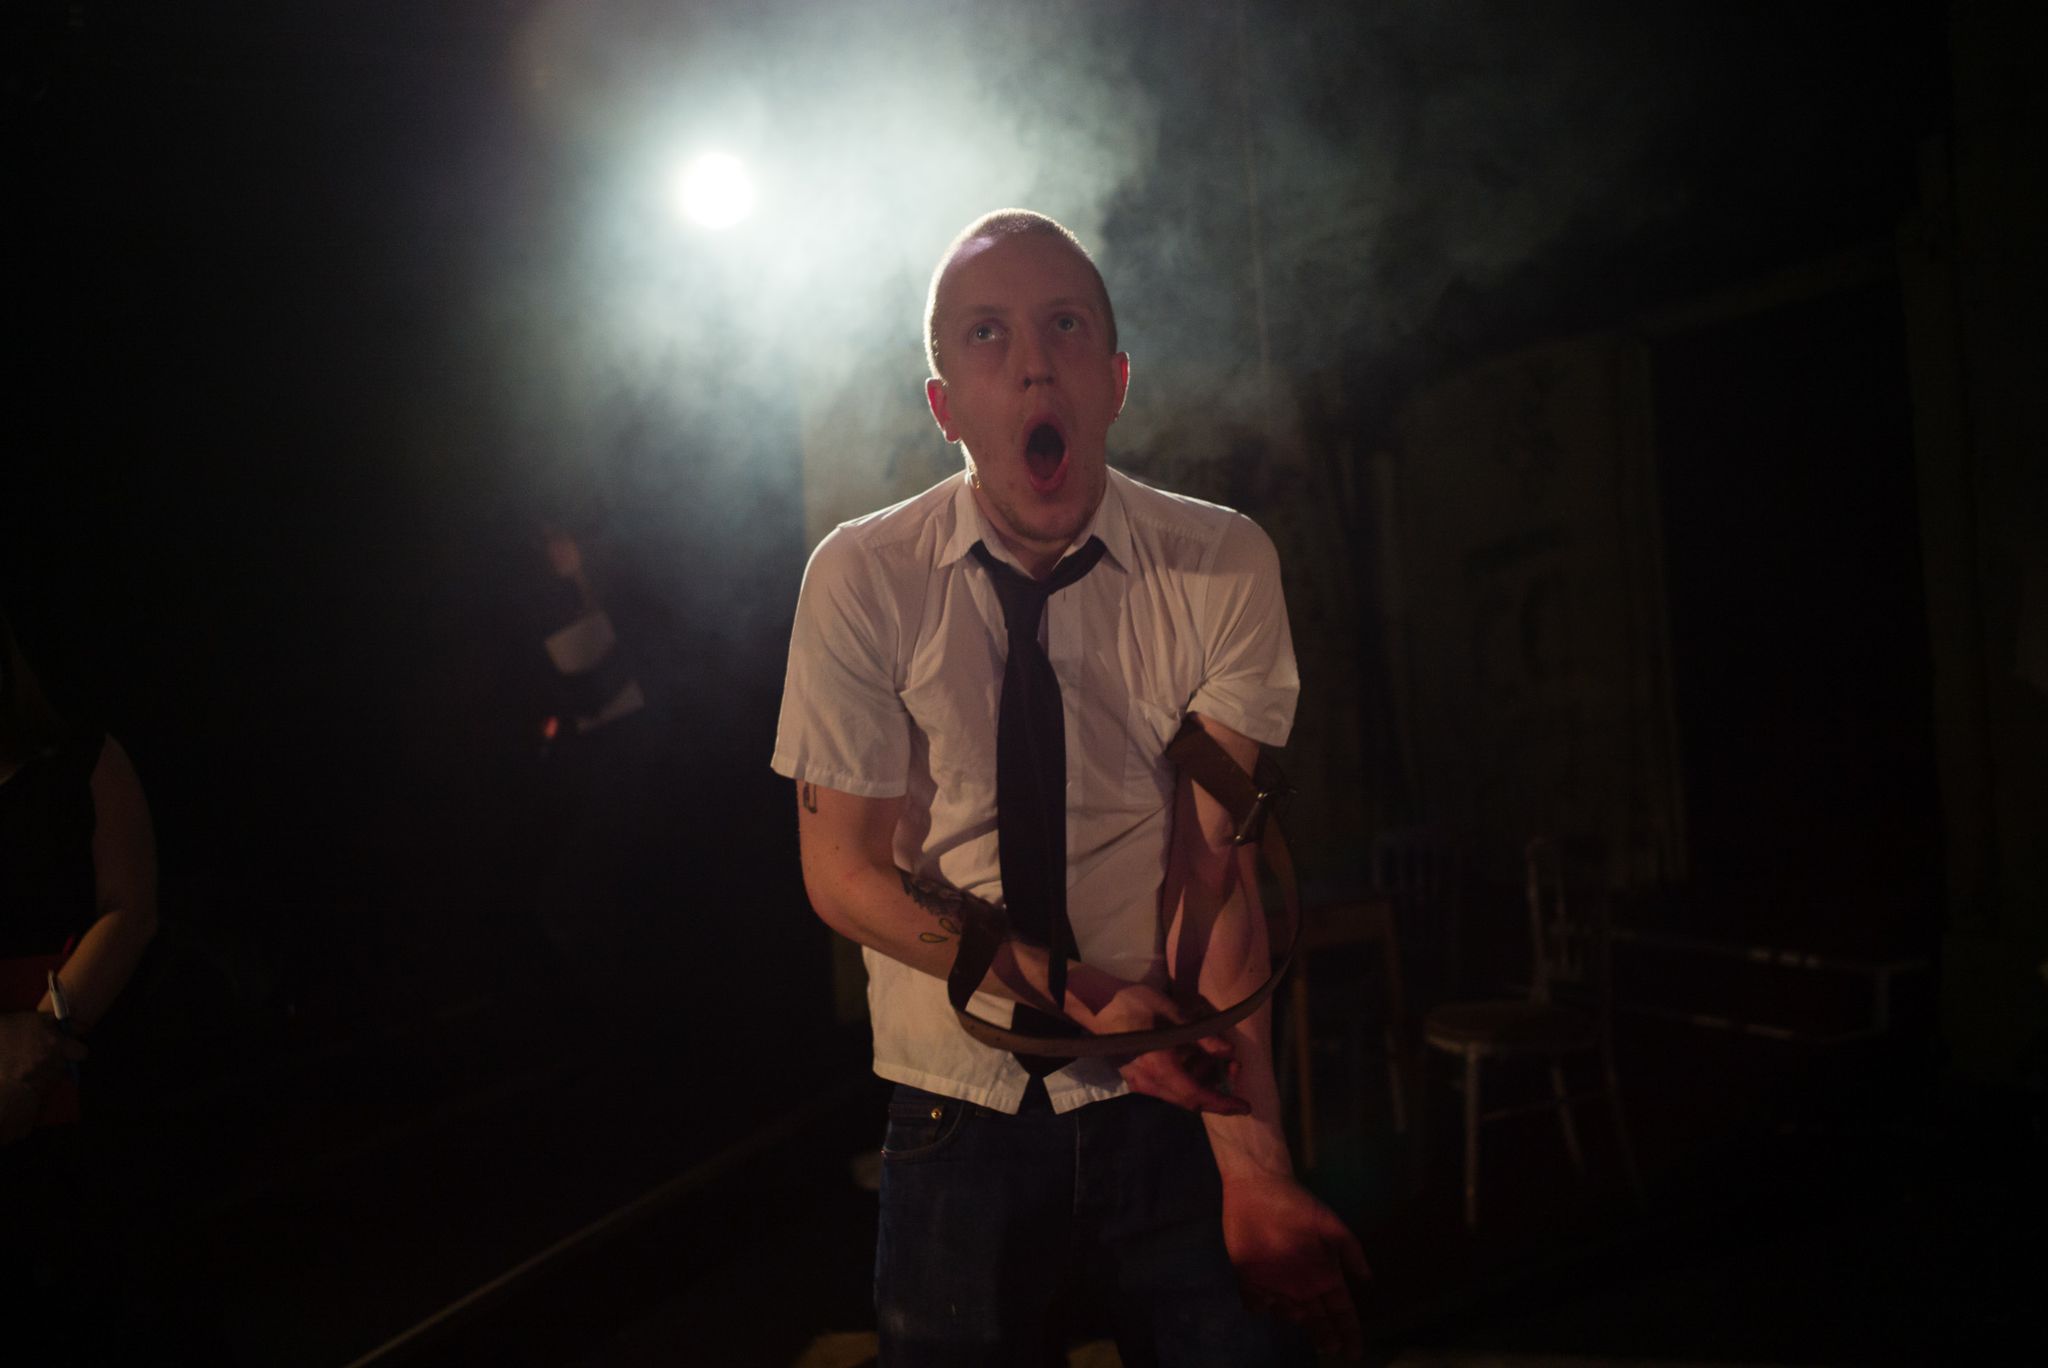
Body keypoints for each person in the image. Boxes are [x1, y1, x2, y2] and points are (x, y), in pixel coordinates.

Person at [772, 210, 1367, 1365]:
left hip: (1168, 1100)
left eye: (1064, 326)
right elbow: (840, 874)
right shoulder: (862, 577)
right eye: (986, 335)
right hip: (958, 1111)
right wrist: (1079, 999)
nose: (1033, 364)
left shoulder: (1219, 562)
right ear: (944, 405)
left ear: (1114, 381)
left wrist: (1254, 1171)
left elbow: (1213, 865)